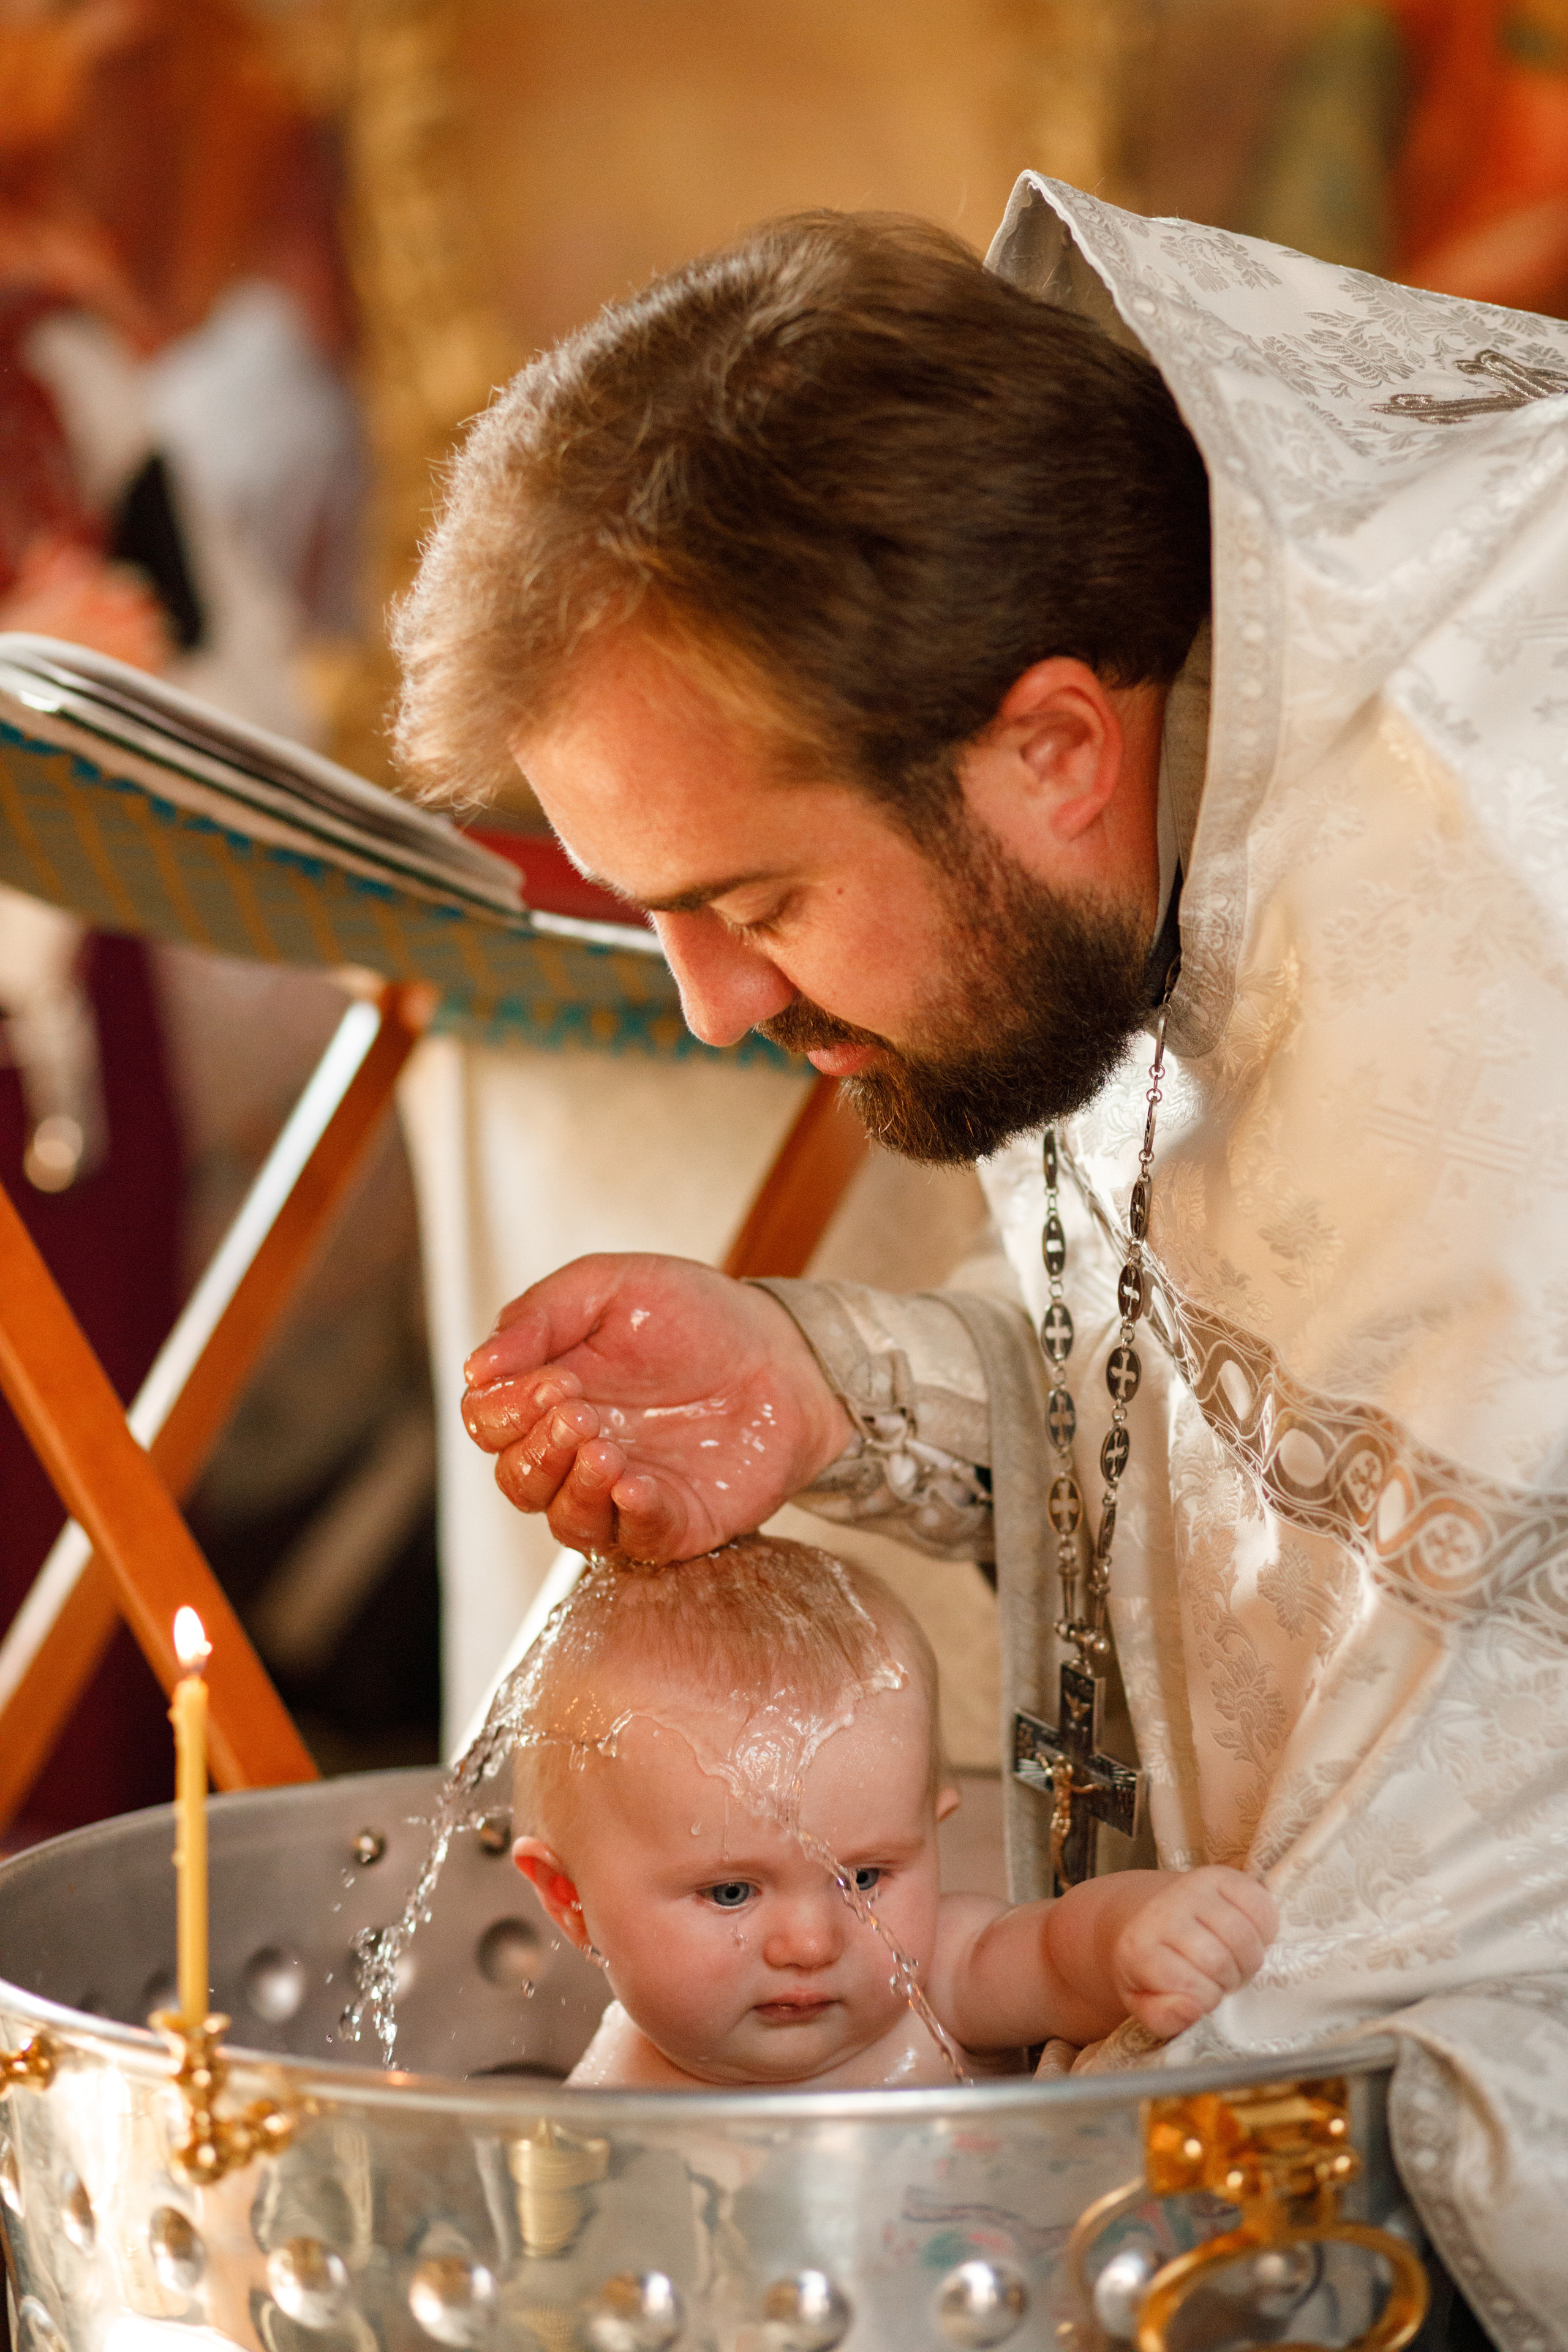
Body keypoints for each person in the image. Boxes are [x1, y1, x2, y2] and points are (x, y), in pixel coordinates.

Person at [396, 186, 1568, 2329]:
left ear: (1051, 749)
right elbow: (1223, 1413)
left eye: (752, 901)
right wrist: (827, 1381)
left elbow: (1459, 1720)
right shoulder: (1183, 788)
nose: (710, 1009)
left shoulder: (1500, 910)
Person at [509, 1536, 1276, 2090]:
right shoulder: (604, 2095)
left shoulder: (938, 1984)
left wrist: (1135, 1935)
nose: (812, 1944)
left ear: (930, 1829)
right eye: (731, 1892)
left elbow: (1056, 1957)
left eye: (865, 1878)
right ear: (569, 1899)